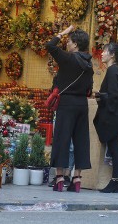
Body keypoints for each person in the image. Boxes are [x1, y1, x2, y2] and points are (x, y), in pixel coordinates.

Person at [45, 25, 93, 192]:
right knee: (81, 140)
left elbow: (50, 46)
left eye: (69, 41)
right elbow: (89, 89)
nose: (67, 44)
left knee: (62, 139)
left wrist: (62, 33)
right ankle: (77, 178)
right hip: (82, 104)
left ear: (76, 44)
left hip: (66, 103)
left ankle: (59, 178)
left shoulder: (68, 59)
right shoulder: (89, 64)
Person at [93, 43, 118, 193]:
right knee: (115, 145)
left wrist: (99, 96)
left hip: (114, 114)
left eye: (105, 51)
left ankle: (115, 181)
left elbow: (113, 95)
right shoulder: (116, 70)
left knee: (114, 147)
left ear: (112, 55)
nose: (102, 54)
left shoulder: (112, 71)